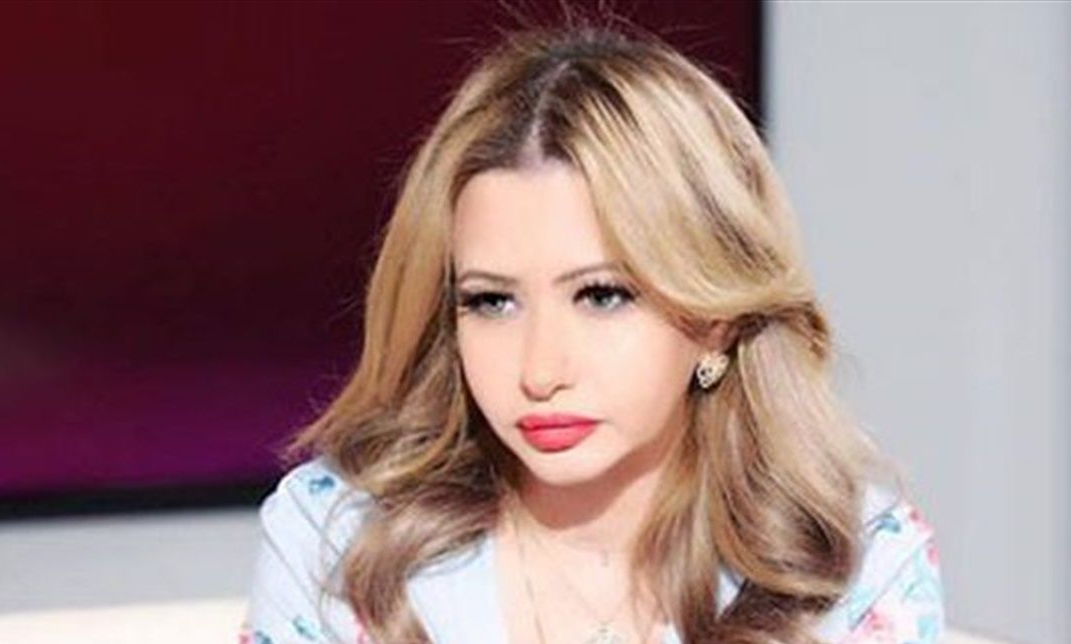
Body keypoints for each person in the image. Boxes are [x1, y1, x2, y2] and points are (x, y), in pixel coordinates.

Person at [240, 21, 943, 644]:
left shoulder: (849, 565)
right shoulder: (338, 541)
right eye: (491, 302)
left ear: (717, 318)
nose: (541, 371)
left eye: (603, 295)